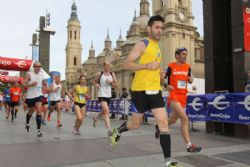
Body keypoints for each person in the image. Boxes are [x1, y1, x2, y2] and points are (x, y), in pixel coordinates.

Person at [110, 15, 178, 167]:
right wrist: (146, 66)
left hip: (155, 92)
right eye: (157, 27)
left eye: (161, 28)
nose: (160, 30)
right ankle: (118, 131)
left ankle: (169, 161)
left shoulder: (158, 48)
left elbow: (156, 69)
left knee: (163, 124)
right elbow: (127, 64)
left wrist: (164, 83)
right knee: (135, 124)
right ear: (149, 28)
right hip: (140, 92)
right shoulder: (143, 44)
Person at [155, 47, 202, 153]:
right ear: (177, 55)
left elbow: (190, 79)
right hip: (173, 96)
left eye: (186, 54)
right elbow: (161, 78)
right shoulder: (171, 66)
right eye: (183, 54)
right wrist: (167, 86)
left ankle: (159, 126)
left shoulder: (188, 67)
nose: (185, 56)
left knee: (173, 120)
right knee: (185, 119)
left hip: (183, 96)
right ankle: (189, 146)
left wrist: (191, 79)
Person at [92, 61, 118, 137]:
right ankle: (109, 129)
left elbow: (116, 85)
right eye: (106, 65)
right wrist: (96, 84)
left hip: (109, 95)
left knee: (104, 111)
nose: (107, 67)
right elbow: (94, 81)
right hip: (101, 94)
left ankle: (96, 117)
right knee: (106, 111)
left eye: (108, 65)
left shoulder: (112, 74)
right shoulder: (99, 74)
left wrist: (111, 82)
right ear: (103, 66)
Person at [23, 61, 44, 137]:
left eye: (39, 66)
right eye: (36, 66)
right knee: (30, 112)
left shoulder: (42, 74)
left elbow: (41, 83)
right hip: (30, 96)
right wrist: (31, 84)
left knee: (39, 111)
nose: (38, 68)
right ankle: (27, 123)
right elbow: (23, 83)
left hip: (39, 95)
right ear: (34, 67)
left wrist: (44, 85)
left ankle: (38, 131)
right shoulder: (29, 74)